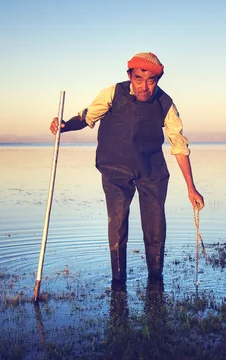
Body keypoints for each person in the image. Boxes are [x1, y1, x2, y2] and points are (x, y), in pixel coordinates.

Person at [49, 52, 204, 284]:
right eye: (139, 79)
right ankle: (118, 283)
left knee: (155, 227)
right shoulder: (113, 94)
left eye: (151, 81)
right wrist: (65, 126)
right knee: (118, 223)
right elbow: (87, 117)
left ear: (157, 81)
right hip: (115, 168)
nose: (144, 87)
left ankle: (155, 280)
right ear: (130, 76)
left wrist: (191, 188)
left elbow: (179, 145)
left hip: (152, 172)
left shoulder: (165, 103)